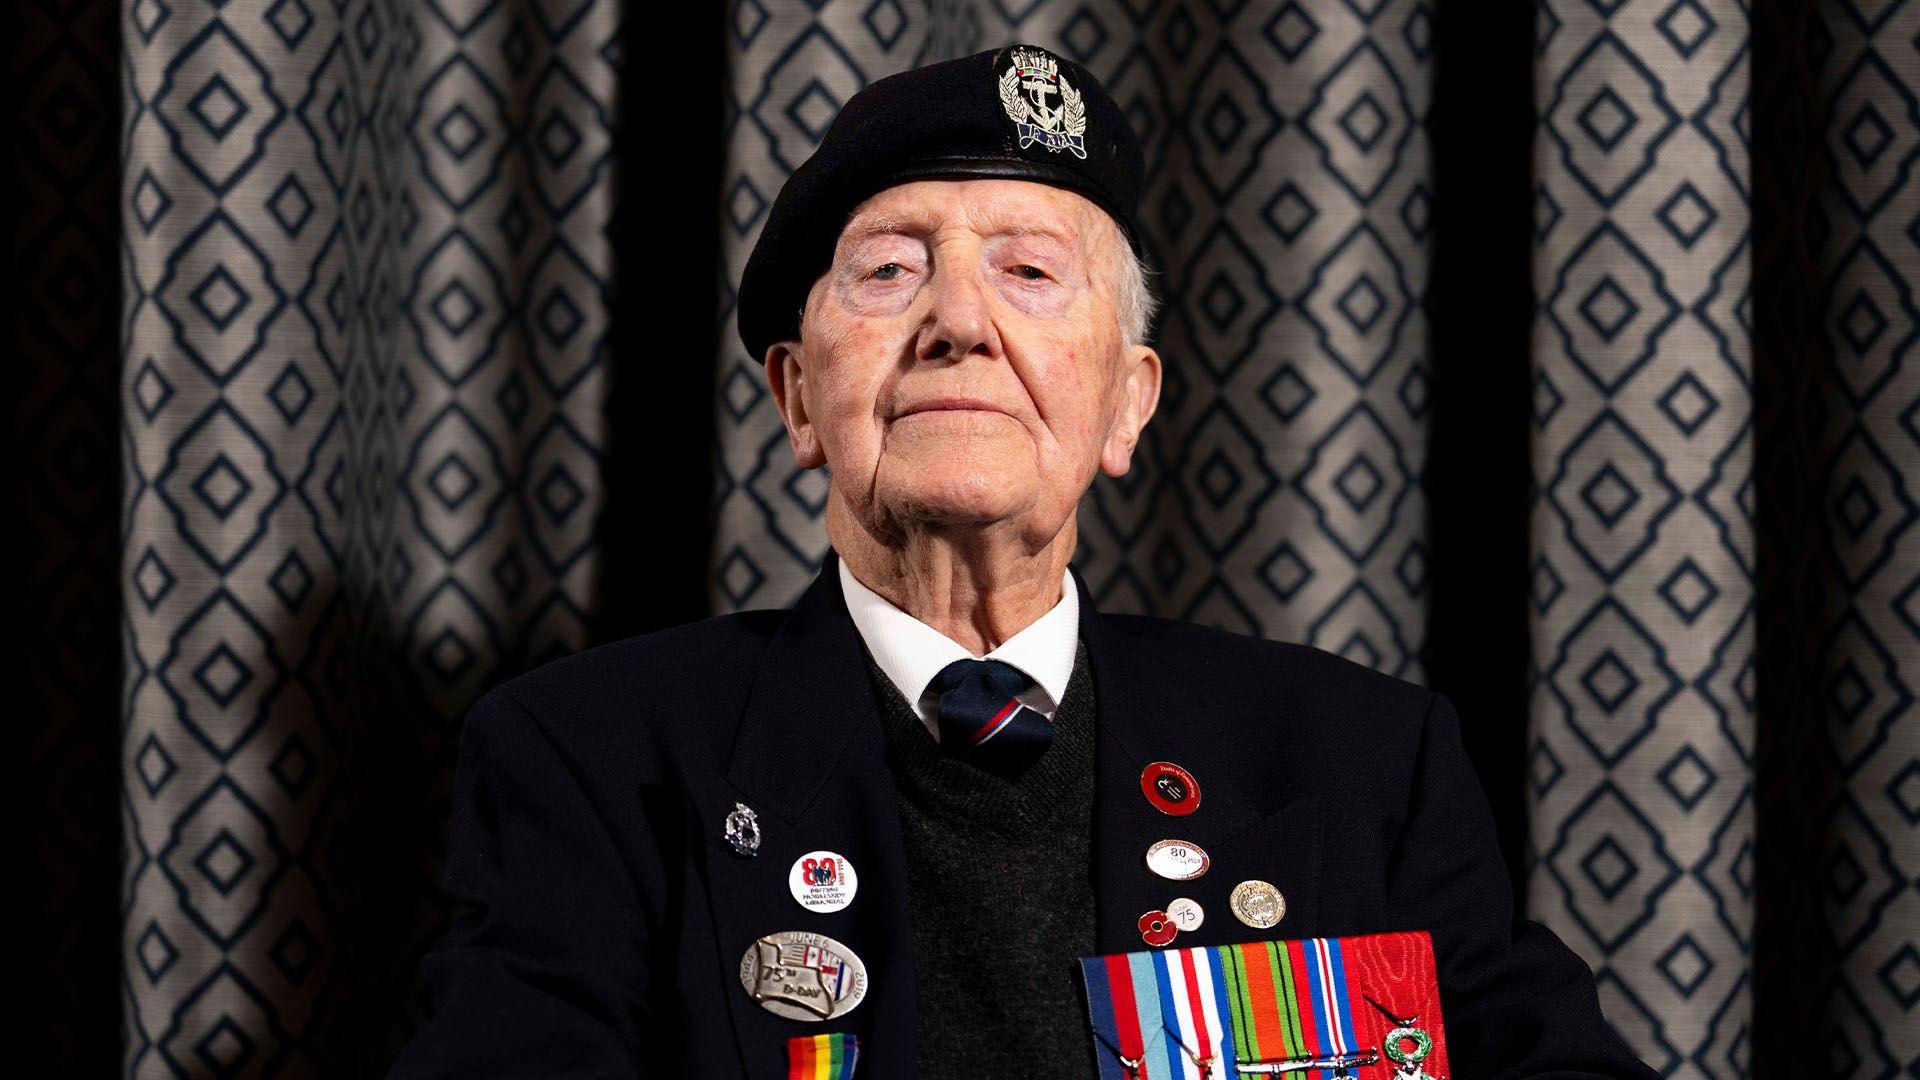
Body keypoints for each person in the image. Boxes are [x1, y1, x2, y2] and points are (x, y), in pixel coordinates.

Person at [389, 44, 1659, 1080]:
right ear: (795, 399)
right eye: (889, 269)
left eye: (1031, 272)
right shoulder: (592, 762)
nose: (956, 321)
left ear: (1126, 405)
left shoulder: (1360, 766)